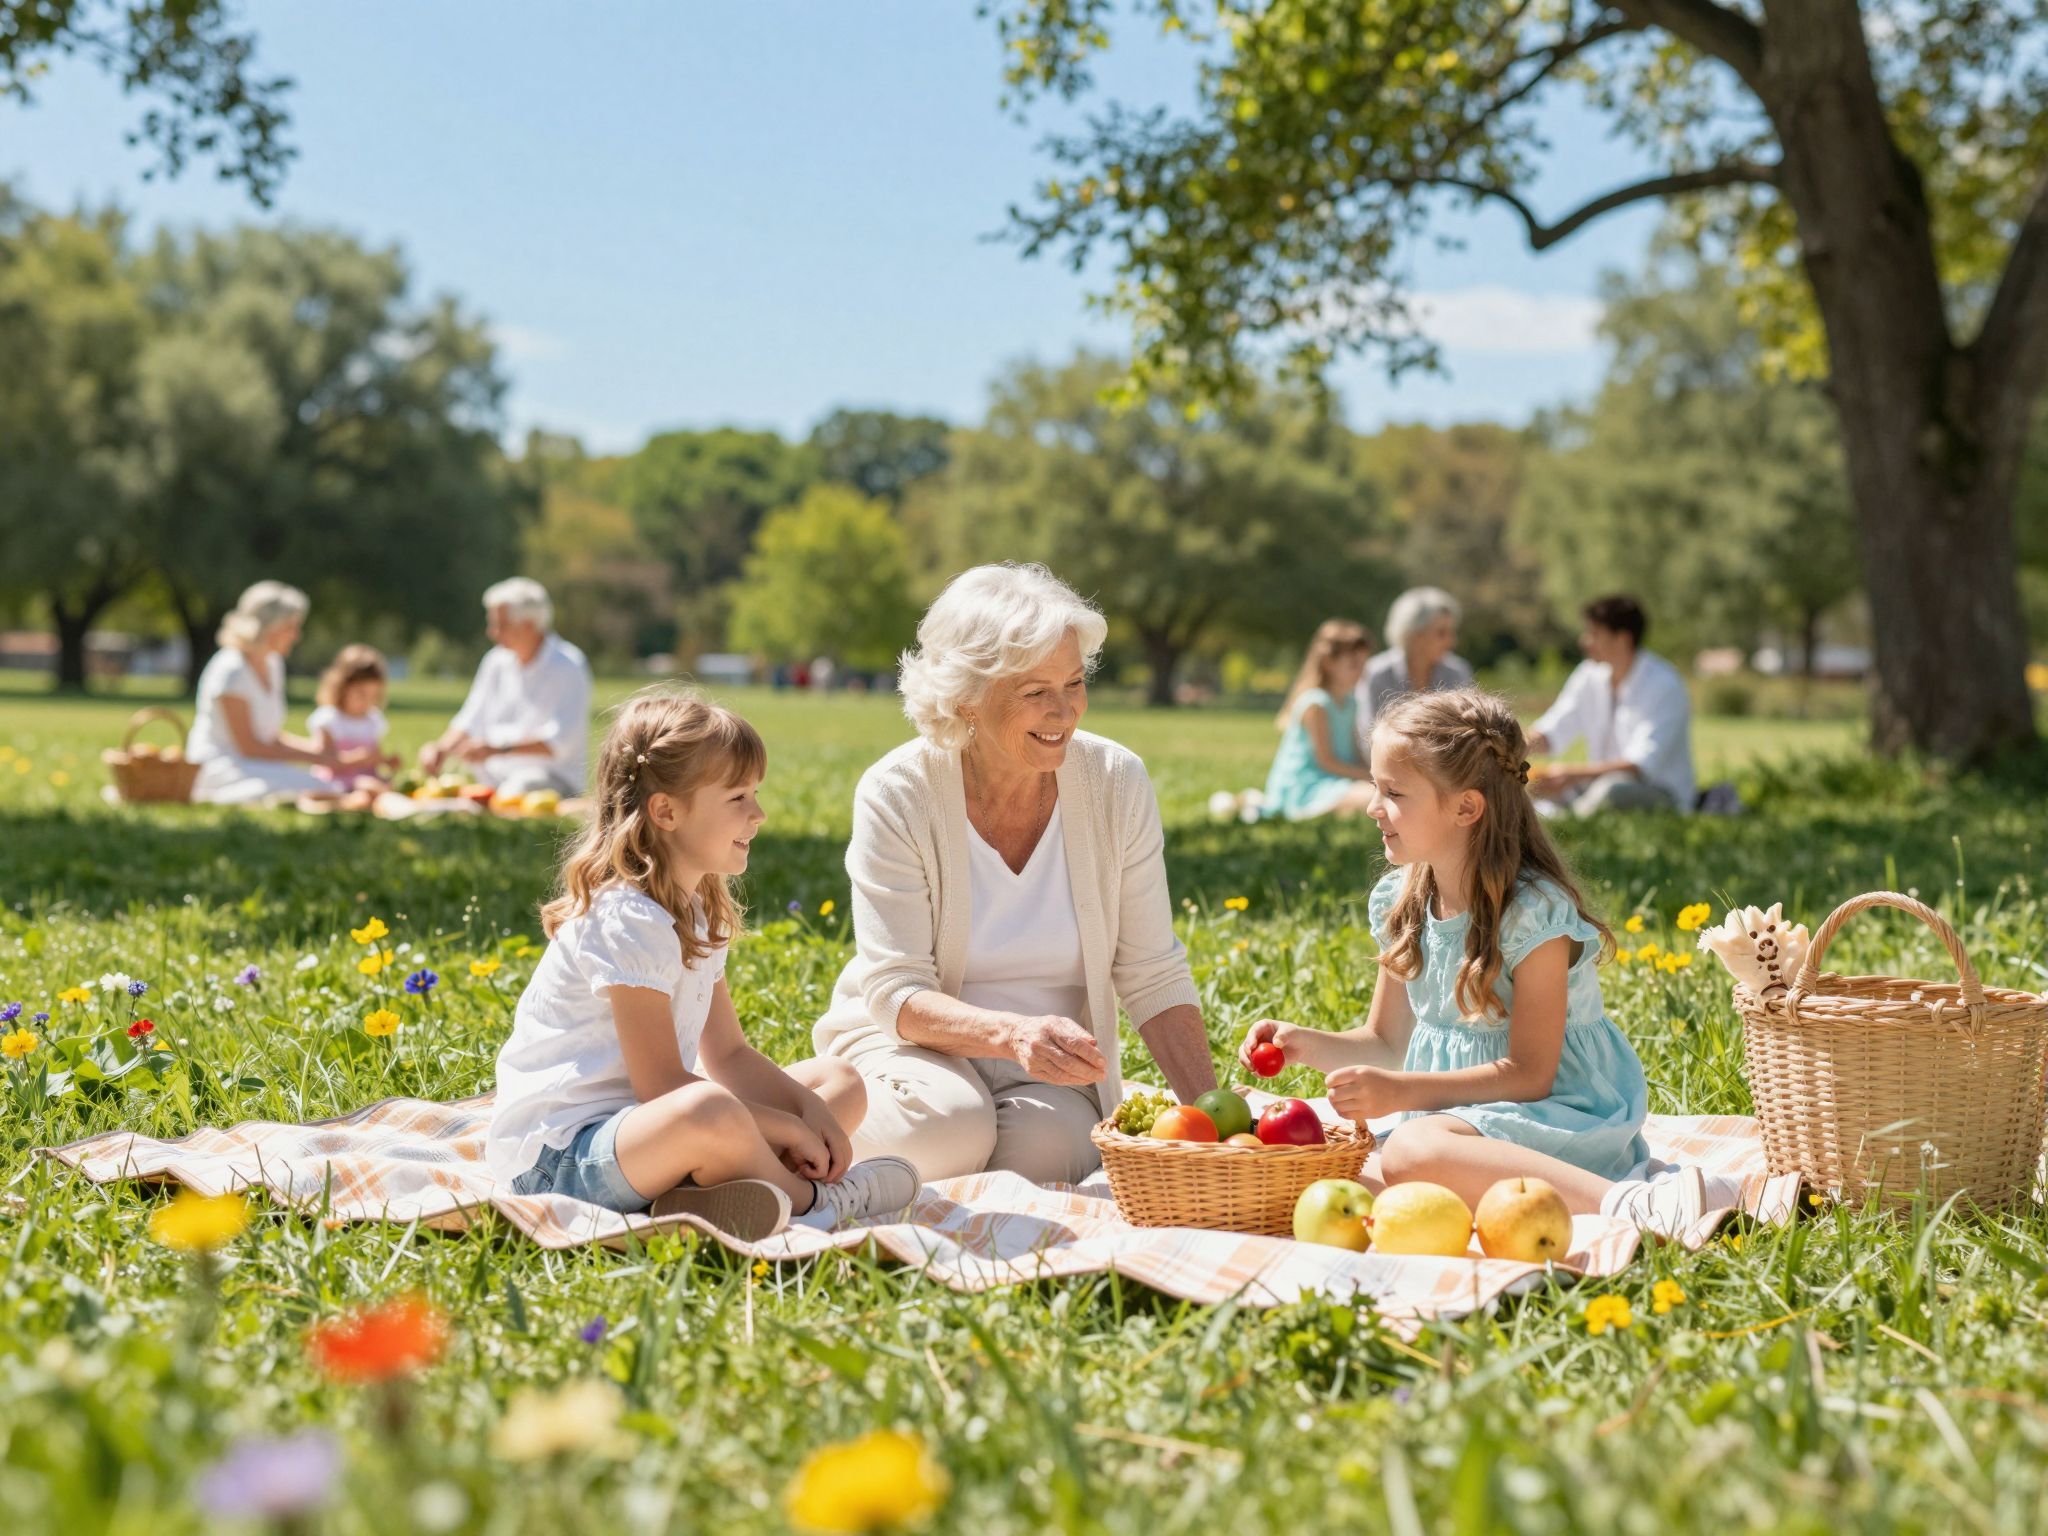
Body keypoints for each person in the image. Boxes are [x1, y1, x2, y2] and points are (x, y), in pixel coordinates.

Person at [1238, 689, 1746, 1237]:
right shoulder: (1401, 901)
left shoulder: (1532, 914)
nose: (1371, 807)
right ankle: (1480, 1183)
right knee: (1341, 1175)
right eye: (1373, 787)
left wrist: (1401, 1093)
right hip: (1459, 1122)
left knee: (1409, 1149)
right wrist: (1302, 1044)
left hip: (1561, 1113)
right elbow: (1387, 1043)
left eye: (1393, 792)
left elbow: (1531, 1074)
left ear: (1465, 807)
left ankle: (1634, 1204)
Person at [813, 563, 1218, 1184]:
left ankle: (882, 1179)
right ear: (965, 696)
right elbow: (896, 990)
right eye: (1035, 692)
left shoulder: (1115, 781)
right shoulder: (898, 791)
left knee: (1054, 1156)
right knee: (949, 1127)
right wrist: (1012, 1033)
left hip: (1047, 1068)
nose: (1064, 711)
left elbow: (1151, 970)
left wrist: (1213, 1120)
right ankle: (777, 1136)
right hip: (910, 1044)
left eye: (1075, 683)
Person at [485, 688, 920, 1239]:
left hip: (644, 1138)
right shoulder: (627, 918)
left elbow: (730, 1055)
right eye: (738, 797)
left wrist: (810, 1115)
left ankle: (701, 1193)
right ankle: (817, 1203)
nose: (759, 815)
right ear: (666, 810)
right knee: (709, 1111)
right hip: (561, 1159)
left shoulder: (693, 910)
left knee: (837, 1082)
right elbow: (663, 1086)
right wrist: (782, 1126)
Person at [421, 578, 592, 797]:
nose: (492, 633)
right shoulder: (495, 661)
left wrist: (496, 749)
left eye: (501, 625)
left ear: (529, 625)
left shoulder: (568, 665)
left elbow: (560, 742)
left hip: (551, 778)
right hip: (493, 775)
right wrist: (441, 749)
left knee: (513, 792)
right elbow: (470, 718)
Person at [187, 582, 354, 805]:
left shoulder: (273, 664)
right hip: (220, 765)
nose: (296, 636)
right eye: (290, 627)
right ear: (268, 627)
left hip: (252, 763)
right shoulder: (231, 669)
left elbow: (269, 737)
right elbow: (249, 746)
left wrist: (323, 754)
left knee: (321, 786)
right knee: (308, 788)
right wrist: (318, 757)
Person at [1526, 595, 1695, 815]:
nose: (1584, 641)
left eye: (1594, 634)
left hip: (1659, 792)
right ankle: (1552, 816)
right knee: (1533, 786)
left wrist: (1572, 774)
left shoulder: (1664, 685)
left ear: (1622, 639)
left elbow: (1639, 766)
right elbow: (1554, 728)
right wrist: (1514, 747)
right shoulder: (1588, 675)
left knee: (1611, 790)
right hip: (1595, 783)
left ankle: (1567, 821)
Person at [1261, 619, 1376, 820]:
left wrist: (1375, 773)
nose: (1362, 671)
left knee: (1380, 796)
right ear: (1329, 663)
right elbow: (1326, 761)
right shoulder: (1315, 703)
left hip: (1337, 780)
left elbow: (1354, 749)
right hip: (1307, 786)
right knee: (1371, 797)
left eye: (1363, 664)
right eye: (1354, 664)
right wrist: (1368, 778)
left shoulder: (1351, 702)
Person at [1356, 587, 1474, 743]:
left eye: (1452, 632)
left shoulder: (1458, 671)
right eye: (1441, 633)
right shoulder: (1377, 673)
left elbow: (1468, 734)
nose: (1452, 641)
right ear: (1415, 635)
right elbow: (1368, 734)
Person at [308, 645, 399, 794]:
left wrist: (387, 762)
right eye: (361, 694)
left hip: (367, 776)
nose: (367, 702)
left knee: (390, 784)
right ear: (342, 687)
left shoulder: (372, 720)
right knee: (370, 787)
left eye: (373, 696)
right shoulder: (329, 719)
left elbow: (375, 758)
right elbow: (326, 761)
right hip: (336, 778)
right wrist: (358, 758)